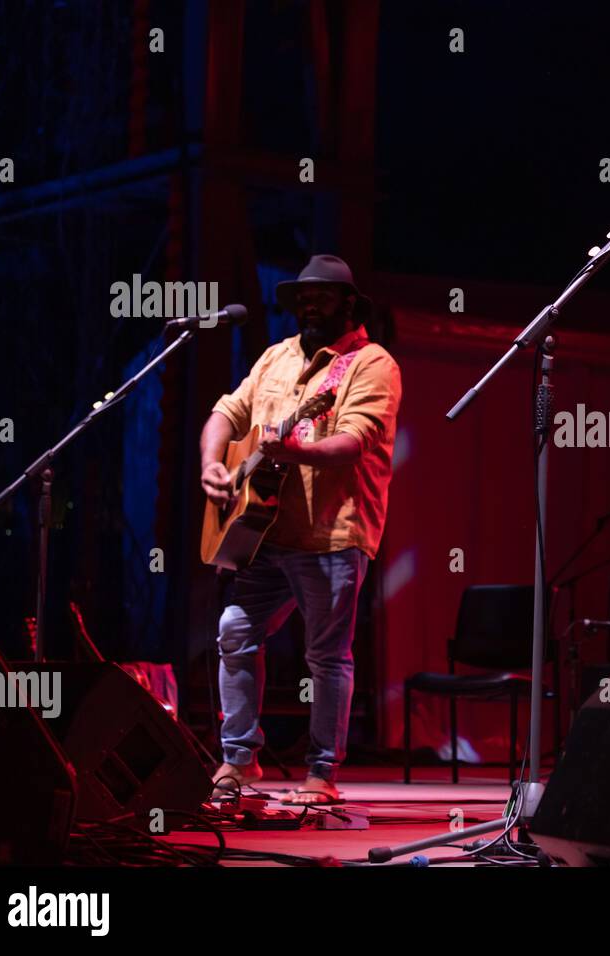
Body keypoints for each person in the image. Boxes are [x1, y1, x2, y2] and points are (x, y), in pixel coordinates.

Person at [200, 255, 401, 804]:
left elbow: (354, 441)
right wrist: (213, 465)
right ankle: (239, 760)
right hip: (262, 532)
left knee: (326, 656)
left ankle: (322, 774)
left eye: (321, 298)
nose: (308, 307)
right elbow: (226, 414)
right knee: (235, 633)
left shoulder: (370, 364)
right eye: (300, 299)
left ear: (349, 304)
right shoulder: (276, 357)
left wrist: (300, 449)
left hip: (331, 535)